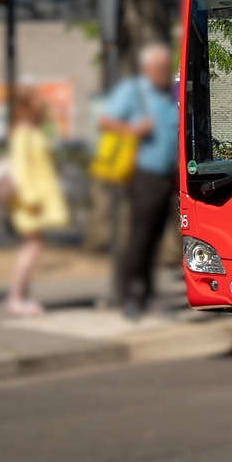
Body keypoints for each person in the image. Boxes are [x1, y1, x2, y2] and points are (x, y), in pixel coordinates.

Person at [99, 42, 180, 319]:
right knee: (140, 238)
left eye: (166, 67)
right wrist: (133, 129)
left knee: (155, 238)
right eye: (160, 68)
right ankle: (128, 297)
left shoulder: (166, 94)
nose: (164, 72)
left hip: (166, 176)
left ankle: (148, 295)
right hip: (144, 175)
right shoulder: (133, 90)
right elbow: (106, 121)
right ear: (146, 68)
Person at [5, 88, 70, 318]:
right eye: (38, 101)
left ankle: (20, 297)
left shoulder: (31, 129)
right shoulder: (23, 132)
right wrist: (31, 199)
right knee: (33, 247)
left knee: (30, 246)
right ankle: (15, 298)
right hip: (30, 201)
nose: (42, 104)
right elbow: (20, 168)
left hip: (34, 199)